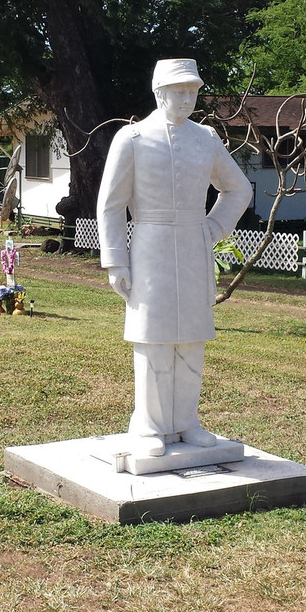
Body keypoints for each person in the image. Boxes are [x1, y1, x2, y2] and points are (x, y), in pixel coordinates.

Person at [97, 58, 253, 458]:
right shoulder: (131, 139)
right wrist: (115, 259)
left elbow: (238, 189)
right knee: (152, 336)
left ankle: (187, 421)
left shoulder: (206, 139)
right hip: (149, 243)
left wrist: (214, 228)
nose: (186, 98)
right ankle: (148, 424)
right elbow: (111, 204)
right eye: (178, 90)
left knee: (192, 335)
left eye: (193, 90)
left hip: (193, 243)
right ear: (159, 92)